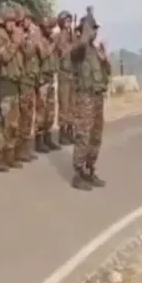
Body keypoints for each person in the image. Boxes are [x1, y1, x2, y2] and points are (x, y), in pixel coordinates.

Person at [69, 16, 111, 191]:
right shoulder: (80, 49)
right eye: (92, 28)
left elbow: (107, 73)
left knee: (95, 136)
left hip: (97, 98)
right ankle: (78, 174)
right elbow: (75, 52)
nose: (95, 32)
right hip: (85, 98)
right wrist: (84, 35)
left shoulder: (95, 50)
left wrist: (104, 58)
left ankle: (89, 169)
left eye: (95, 29)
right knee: (83, 135)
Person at [0, 7, 24, 171]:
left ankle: (10, 153)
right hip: (3, 83)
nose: (14, 25)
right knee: (2, 122)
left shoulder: (10, 37)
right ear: (3, 21)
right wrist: (15, 42)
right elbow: (4, 57)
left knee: (13, 122)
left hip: (14, 83)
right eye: (11, 22)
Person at [35, 17, 61, 152]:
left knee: (50, 110)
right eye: (49, 28)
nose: (50, 30)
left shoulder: (51, 41)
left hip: (50, 78)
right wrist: (53, 45)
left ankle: (47, 136)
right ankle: (39, 140)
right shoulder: (40, 40)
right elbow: (43, 54)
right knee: (41, 110)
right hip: (42, 80)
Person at [18, 9, 40, 162]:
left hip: (31, 79)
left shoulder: (30, 34)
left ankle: (25, 147)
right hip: (23, 80)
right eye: (27, 19)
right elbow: (27, 54)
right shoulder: (20, 35)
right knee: (23, 115)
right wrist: (33, 39)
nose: (29, 23)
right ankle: (20, 149)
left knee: (29, 115)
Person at [55, 11, 78, 145]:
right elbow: (62, 51)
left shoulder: (72, 36)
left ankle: (70, 130)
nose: (69, 24)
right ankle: (63, 132)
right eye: (67, 21)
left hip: (72, 73)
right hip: (63, 73)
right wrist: (70, 44)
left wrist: (74, 38)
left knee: (72, 105)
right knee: (64, 105)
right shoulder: (59, 36)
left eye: (70, 21)